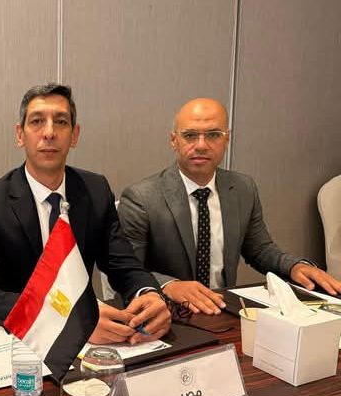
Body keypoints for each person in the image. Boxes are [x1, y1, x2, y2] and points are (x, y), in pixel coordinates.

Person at [0, 83, 170, 345]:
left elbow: (123, 264)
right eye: (37, 121)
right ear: (20, 135)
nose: (49, 133)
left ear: (74, 135)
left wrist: (148, 294)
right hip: (19, 343)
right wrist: (68, 318)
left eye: (61, 122)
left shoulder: (95, 190)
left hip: (91, 346)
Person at [118, 97, 341, 315]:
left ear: (226, 140)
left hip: (224, 308)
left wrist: (295, 267)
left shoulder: (243, 188)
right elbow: (125, 270)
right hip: (168, 312)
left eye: (213, 135)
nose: (201, 145)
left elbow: (260, 250)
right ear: (173, 140)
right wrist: (169, 285)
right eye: (190, 135)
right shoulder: (141, 197)